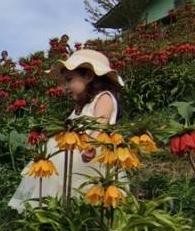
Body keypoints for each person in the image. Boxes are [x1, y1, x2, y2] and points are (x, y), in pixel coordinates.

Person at [8, 49, 123, 212]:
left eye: (69, 80)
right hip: (73, 157)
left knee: (86, 194)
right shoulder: (81, 106)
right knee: (65, 193)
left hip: (91, 158)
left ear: (89, 76)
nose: (65, 87)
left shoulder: (104, 97)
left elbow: (101, 123)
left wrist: (91, 144)